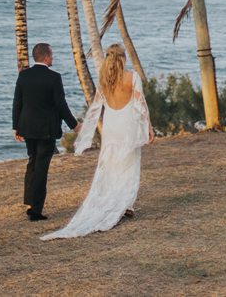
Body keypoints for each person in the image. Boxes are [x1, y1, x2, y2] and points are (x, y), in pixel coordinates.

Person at [41, 43, 154, 240]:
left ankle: (116, 202)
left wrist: (85, 133)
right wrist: (148, 127)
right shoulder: (131, 77)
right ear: (122, 58)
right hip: (127, 124)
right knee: (128, 164)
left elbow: (95, 108)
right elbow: (140, 104)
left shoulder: (104, 80)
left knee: (110, 165)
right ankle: (125, 204)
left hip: (111, 126)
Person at [12, 42, 79, 222]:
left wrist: (15, 126)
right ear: (47, 56)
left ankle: (29, 202)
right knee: (41, 168)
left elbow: (17, 102)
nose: (53, 58)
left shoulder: (24, 76)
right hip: (46, 130)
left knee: (32, 162)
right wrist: (75, 125)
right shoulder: (54, 77)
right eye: (52, 54)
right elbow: (61, 105)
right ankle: (36, 210)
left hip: (26, 128)